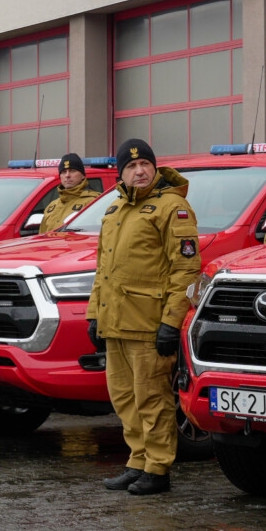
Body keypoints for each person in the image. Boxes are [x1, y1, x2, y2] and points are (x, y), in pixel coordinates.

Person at [87, 139, 201, 496]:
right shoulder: (115, 210)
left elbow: (186, 269)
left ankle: (157, 468)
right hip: (116, 322)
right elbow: (102, 270)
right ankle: (137, 460)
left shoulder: (173, 208)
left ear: (154, 167)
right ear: (120, 172)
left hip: (149, 324)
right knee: (123, 397)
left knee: (151, 398)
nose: (139, 171)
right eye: (131, 167)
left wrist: (171, 321)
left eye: (145, 165)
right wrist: (94, 315)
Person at [39, 153, 101, 234]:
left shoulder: (94, 202)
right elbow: (42, 237)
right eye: (64, 172)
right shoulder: (52, 207)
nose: (67, 175)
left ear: (83, 175)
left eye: (72, 171)